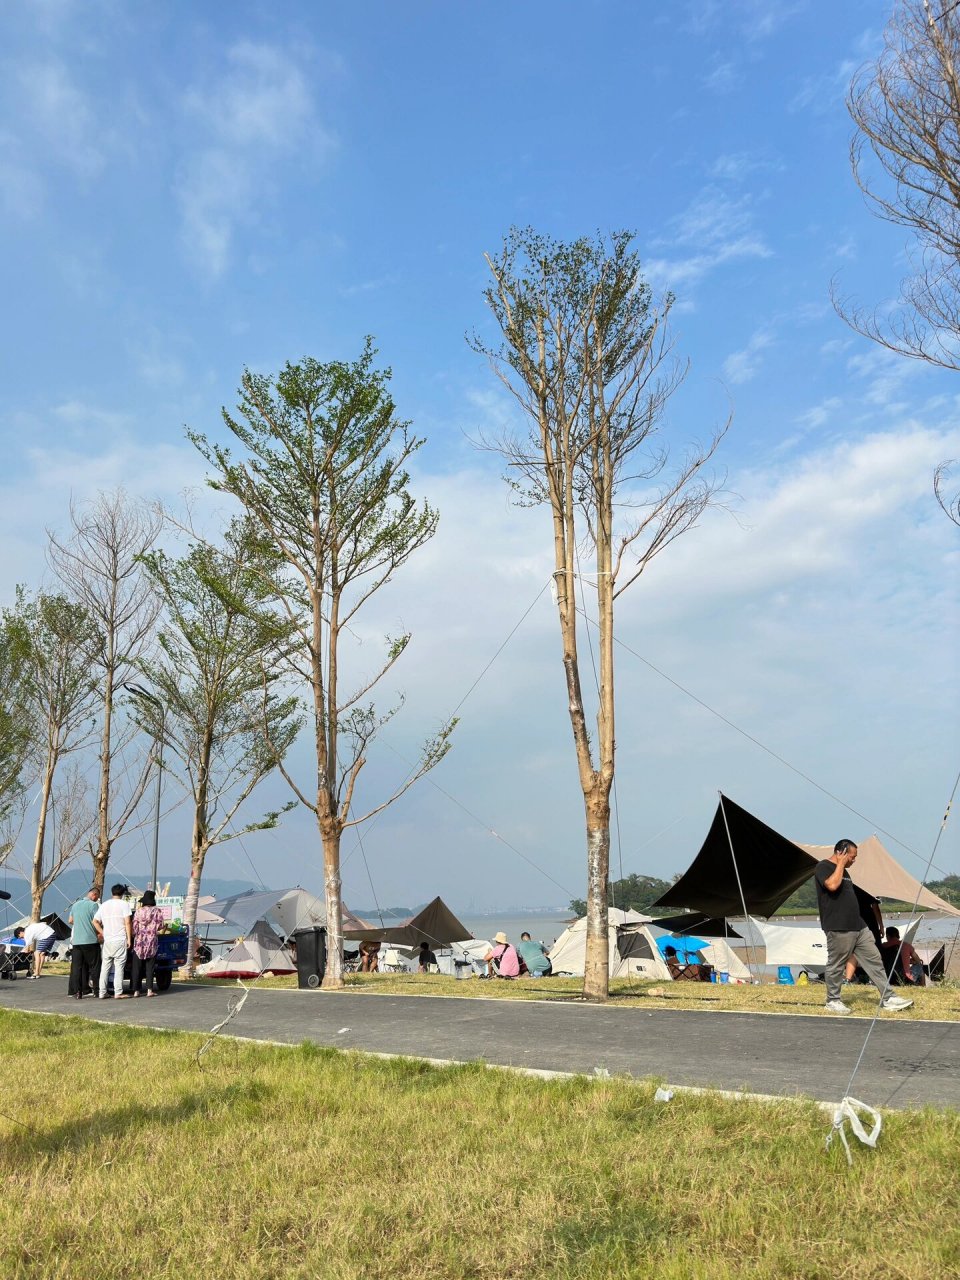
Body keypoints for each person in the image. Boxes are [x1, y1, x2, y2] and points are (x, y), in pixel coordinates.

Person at [814, 840, 913, 1015]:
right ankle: (833, 1001)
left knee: (874, 959)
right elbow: (831, 885)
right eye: (852, 857)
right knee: (836, 964)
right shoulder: (823, 867)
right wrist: (841, 864)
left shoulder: (844, 872)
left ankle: (888, 997)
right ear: (841, 853)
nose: (854, 860)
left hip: (858, 926)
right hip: (839, 926)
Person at [94, 884, 133, 1000]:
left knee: (105, 967)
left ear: (112, 892)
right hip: (120, 939)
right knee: (119, 967)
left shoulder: (104, 905)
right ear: (122, 893)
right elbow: (127, 922)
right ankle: (118, 992)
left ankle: (102, 992)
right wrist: (129, 938)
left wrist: (103, 932)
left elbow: (95, 921)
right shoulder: (124, 904)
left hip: (108, 940)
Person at [68, 888, 102, 999]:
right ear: (94, 895)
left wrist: (80, 922)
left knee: (77, 967)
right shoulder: (93, 905)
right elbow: (96, 921)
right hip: (90, 940)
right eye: (97, 897)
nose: (97, 899)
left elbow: (70, 920)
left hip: (77, 941)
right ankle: (97, 991)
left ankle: (77, 992)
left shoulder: (75, 905)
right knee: (95, 966)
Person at [130, 890, 165, 997]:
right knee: (150, 967)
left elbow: (134, 927)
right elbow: (161, 926)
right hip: (151, 942)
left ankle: (136, 991)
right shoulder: (157, 911)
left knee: (137, 967)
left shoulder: (138, 911)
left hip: (139, 942)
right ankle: (149, 990)